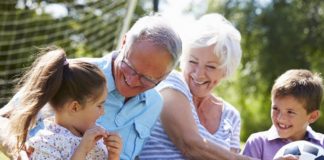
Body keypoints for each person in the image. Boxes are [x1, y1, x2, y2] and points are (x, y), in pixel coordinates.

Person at [0, 15, 182, 160]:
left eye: (148, 79)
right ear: (124, 42)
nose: (133, 80)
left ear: (165, 76)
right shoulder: (71, 73)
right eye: (130, 67)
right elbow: (4, 119)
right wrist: (19, 152)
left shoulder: (154, 104)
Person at [139, 13, 251, 160]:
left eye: (210, 67)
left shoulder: (231, 116)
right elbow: (190, 145)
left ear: (225, 71)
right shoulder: (170, 83)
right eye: (192, 62)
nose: (199, 74)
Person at [2, 47, 122, 159]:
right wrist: (83, 149)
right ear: (75, 107)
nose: (103, 112)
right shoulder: (45, 142)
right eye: (99, 105)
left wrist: (113, 156)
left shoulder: (94, 139)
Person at [242, 69, 324, 160]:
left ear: (313, 116)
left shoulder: (322, 144)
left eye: (290, 112)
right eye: (275, 109)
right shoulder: (258, 143)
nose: (280, 118)